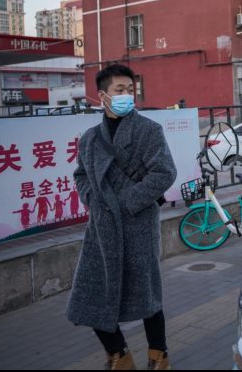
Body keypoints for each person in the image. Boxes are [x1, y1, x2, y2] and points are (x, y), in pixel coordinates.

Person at [66, 64, 177, 370]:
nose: (128, 95)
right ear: (102, 96)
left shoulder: (148, 130)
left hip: (137, 224)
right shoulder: (89, 138)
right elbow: (81, 176)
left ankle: (159, 357)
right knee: (89, 297)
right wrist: (93, 199)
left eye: (131, 90)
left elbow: (164, 173)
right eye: (120, 90)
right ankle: (119, 355)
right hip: (101, 228)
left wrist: (126, 203)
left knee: (147, 298)